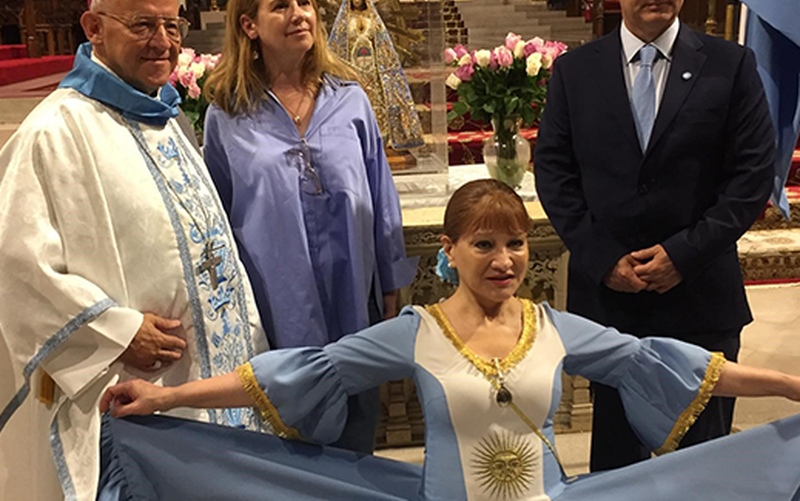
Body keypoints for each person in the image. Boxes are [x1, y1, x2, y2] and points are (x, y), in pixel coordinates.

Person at [99, 179, 800, 501]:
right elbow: (290, 376)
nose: (504, 260)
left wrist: (789, 385)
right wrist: (165, 401)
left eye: (516, 244)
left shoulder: (556, 328)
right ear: (450, 251)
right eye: (484, 244)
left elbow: (677, 367)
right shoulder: (416, 333)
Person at [0, 0, 267, 501]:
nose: (163, 42)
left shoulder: (167, 118)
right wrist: (117, 330)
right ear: (94, 27)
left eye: (172, 25)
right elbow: (18, 265)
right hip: (131, 386)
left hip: (205, 377)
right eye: (143, 25)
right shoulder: (54, 132)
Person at [533, 0, 775, 472]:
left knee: (702, 467)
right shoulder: (575, 72)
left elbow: (750, 179)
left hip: (701, 301)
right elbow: (555, 175)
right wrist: (603, 259)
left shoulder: (731, 66)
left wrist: (682, 255)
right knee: (617, 467)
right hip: (610, 305)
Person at [201, 0, 418, 454]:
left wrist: (390, 284)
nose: (299, 14)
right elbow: (218, 220)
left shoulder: (351, 100)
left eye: (305, 3)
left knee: (357, 435)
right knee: (291, 442)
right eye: (280, 6)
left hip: (354, 296)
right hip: (277, 304)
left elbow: (381, 196)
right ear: (249, 25)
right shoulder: (227, 115)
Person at [327, 0, 425, 154]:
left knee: (377, 103)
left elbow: (382, 44)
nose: (357, 1)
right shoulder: (344, 22)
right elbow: (338, 47)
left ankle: (381, 137)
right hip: (353, 69)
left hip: (373, 69)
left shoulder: (373, 20)